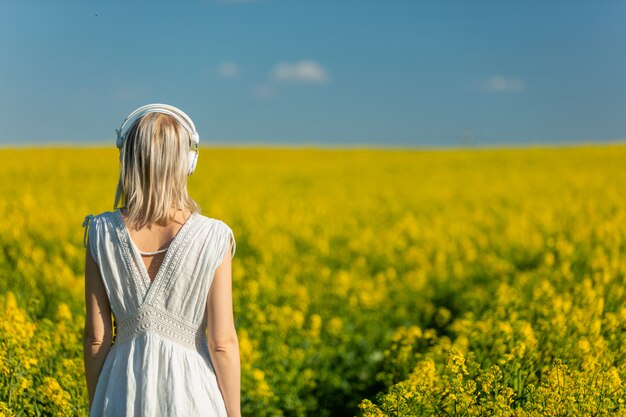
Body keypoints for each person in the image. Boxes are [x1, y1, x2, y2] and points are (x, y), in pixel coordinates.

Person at [82, 104, 241, 417]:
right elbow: (222, 343)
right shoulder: (215, 236)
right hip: (193, 394)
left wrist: (98, 403)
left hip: (121, 390)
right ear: (188, 161)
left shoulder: (100, 232)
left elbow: (96, 338)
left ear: (125, 159)